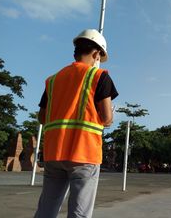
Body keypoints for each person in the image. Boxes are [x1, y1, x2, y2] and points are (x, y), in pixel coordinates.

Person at [34, 29, 118, 218]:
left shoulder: (53, 80)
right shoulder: (99, 76)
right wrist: (109, 118)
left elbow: (42, 117)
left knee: (46, 209)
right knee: (79, 213)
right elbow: (105, 118)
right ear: (96, 54)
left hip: (54, 153)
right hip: (84, 154)